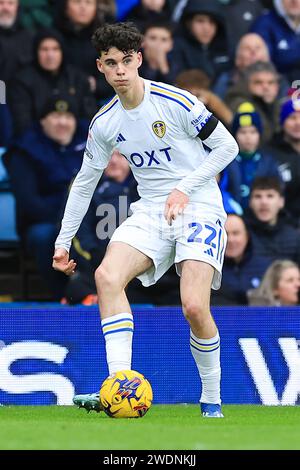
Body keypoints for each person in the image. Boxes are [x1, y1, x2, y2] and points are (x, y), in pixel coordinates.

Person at [52, 22, 239, 418]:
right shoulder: (104, 123)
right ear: (100, 67)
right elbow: (84, 184)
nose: (119, 70)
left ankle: (211, 399)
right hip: (152, 209)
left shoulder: (176, 101)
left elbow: (227, 146)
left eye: (125, 61)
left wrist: (185, 188)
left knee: (193, 306)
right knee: (106, 277)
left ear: (138, 60)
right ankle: (120, 387)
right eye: (110, 63)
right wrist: (62, 241)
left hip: (199, 202)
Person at [4, 93, 89, 300]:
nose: (62, 122)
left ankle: (98, 292)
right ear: (42, 120)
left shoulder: (87, 141)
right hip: (44, 221)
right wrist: (65, 222)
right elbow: (29, 202)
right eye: (55, 116)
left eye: (68, 117)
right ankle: (63, 296)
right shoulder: (25, 150)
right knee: (46, 237)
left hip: (85, 219)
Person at [223, 102, 281, 209]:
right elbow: (221, 189)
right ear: (235, 135)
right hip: (233, 216)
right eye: (243, 132)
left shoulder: (269, 161)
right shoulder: (226, 161)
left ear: (259, 135)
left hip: (261, 215)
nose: (248, 137)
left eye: (253, 132)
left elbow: (278, 189)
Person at [211, 214, 272, 306]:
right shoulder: (209, 268)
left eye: (236, 233)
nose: (230, 240)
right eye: (225, 234)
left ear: (247, 236)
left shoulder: (266, 267)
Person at [246, 176, 300, 264]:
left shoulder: (295, 237)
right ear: (250, 202)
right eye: (258, 196)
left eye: (270, 196)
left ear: (281, 202)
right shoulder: (241, 235)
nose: (264, 202)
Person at [265, 97, 300, 226]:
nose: (298, 123)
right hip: (281, 226)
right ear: (282, 121)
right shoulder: (269, 153)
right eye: (292, 117)